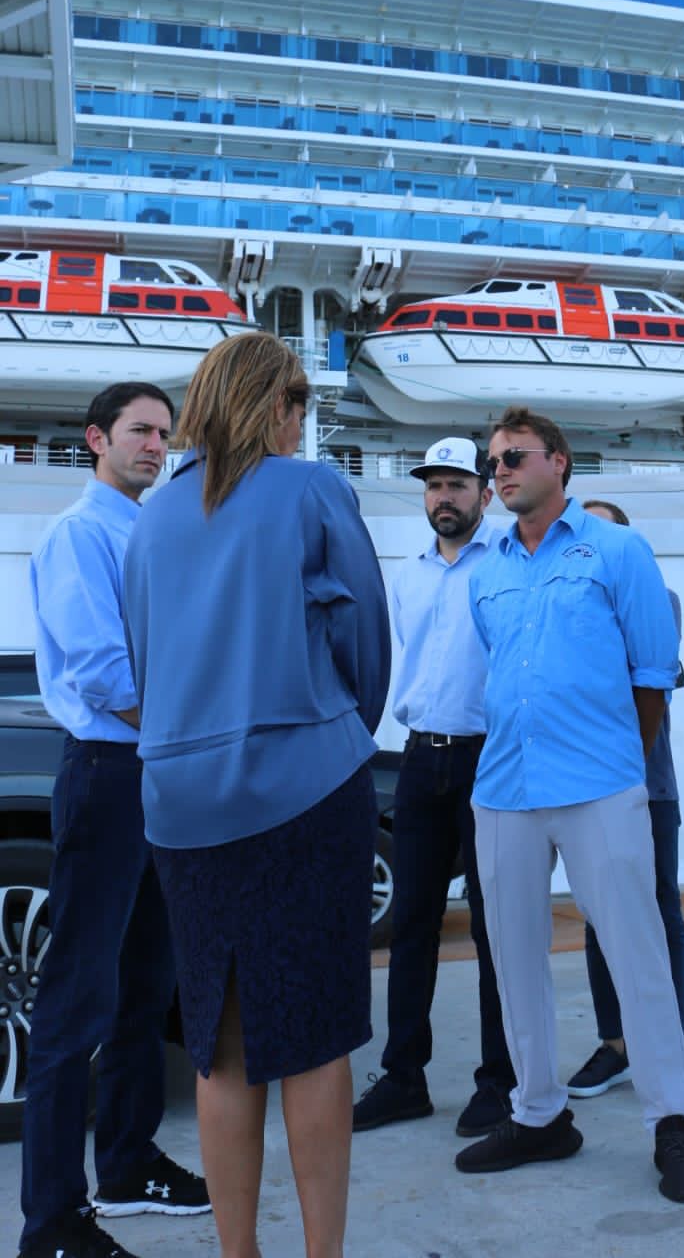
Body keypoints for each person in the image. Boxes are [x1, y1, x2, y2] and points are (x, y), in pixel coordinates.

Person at [123, 333, 390, 1258]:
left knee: (220, 1046)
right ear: (278, 404)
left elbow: (144, 663)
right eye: (300, 407)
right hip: (305, 789)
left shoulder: (150, 517)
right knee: (315, 1042)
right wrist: (340, 728)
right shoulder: (310, 488)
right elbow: (365, 638)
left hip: (183, 809)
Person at [456, 407, 684, 1204]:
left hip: (600, 783)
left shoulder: (617, 551)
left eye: (514, 456)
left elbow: (651, 674)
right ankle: (540, 1114)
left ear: (560, 463)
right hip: (503, 787)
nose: (498, 469)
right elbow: (499, 670)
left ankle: (670, 1120)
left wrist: (620, 765)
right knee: (513, 958)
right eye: (492, 459)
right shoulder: (486, 568)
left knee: (636, 949)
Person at [20, 382, 210, 1258]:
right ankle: (51, 1220)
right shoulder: (80, 533)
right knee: (77, 998)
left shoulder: (150, 529)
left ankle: (129, 1162)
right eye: (139, 431)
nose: (155, 446)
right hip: (108, 771)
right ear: (96, 436)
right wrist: (189, 726)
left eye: (165, 434)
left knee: (146, 983)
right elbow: (102, 671)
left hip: (159, 771)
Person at [353, 437, 516, 1138]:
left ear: (485, 490)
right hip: (421, 759)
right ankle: (403, 1076)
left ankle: (500, 1080)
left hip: (492, 759)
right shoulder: (409, 575)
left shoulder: (510, 562)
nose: (442, 497)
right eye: (432, 485)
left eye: (456, 483)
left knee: (494, 926)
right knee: (412, 922)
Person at [566, 499, 684, 1108]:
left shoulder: (657, 598)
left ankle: (671, 1045)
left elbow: (639, 676)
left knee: (659, 912)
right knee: (599, 915)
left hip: (648, 786)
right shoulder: (562, 596)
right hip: (582, 786)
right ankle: (617, 1045)